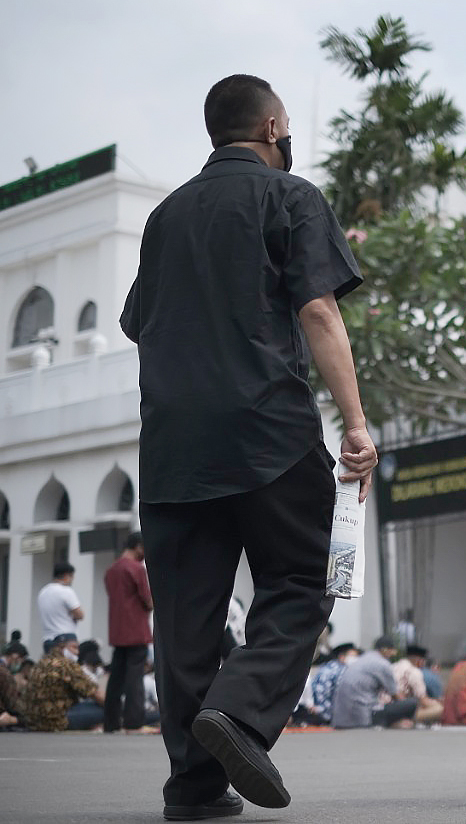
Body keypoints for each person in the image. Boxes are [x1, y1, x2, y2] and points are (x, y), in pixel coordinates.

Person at [120, 73, 377, 820]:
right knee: (304, 574)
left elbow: (141, 324)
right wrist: (355, 424)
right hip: (266, 428)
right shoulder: (289, 197)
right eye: (286, 125)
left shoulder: (164, 217)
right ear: (271, 128)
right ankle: (240, 710)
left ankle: (194, 788)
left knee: (187, 617)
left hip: (171, 445)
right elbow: (320, 312)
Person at [103, 531, 153, 733]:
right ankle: (134, 722)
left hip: (117, 631)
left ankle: (111, 722)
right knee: (135, 679)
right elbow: (147, 601)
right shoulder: (136, 569)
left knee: (116, 678)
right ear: (138, 546)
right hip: (136, 630)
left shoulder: (111, 569)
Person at [332, 637, 418, 729]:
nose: (393, 655)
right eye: (392, 651)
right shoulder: (382, 664)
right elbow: (396, 696)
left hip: (341, 719)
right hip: (364, 716)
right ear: (385, 650)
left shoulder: (362, 659)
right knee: (411, 703)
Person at [20, 633, 101, 732]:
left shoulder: (40, 663)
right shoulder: (66, 665)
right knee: (106, 709)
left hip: (34, 722)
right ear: (62, 647)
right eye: (74, 648)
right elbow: (94, 693)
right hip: (57, 722)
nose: (77, 652)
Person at [37, 563, 83, 653]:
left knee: (51, 666)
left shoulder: (43, 592)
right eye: (72, 576)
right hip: (66, 638)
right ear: (66, 575)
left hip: (48, 639)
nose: (72, 580)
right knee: (68, 666)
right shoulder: (66, 591)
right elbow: (80, 615)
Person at [309, 643, 359, 726]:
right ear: (342, 657)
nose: (355, 659)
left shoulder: (330, 666)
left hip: (324, 710)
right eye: (352, 656)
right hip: (327, 713)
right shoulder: (338, 670)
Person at [392, 645, 443, 726]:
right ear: (420, 660)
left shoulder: (394, 666)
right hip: (399, 710)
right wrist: (439, 703)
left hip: (386, 708)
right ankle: (406, 720)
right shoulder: (414, 671)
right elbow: (424, 700)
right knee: (439, 709)